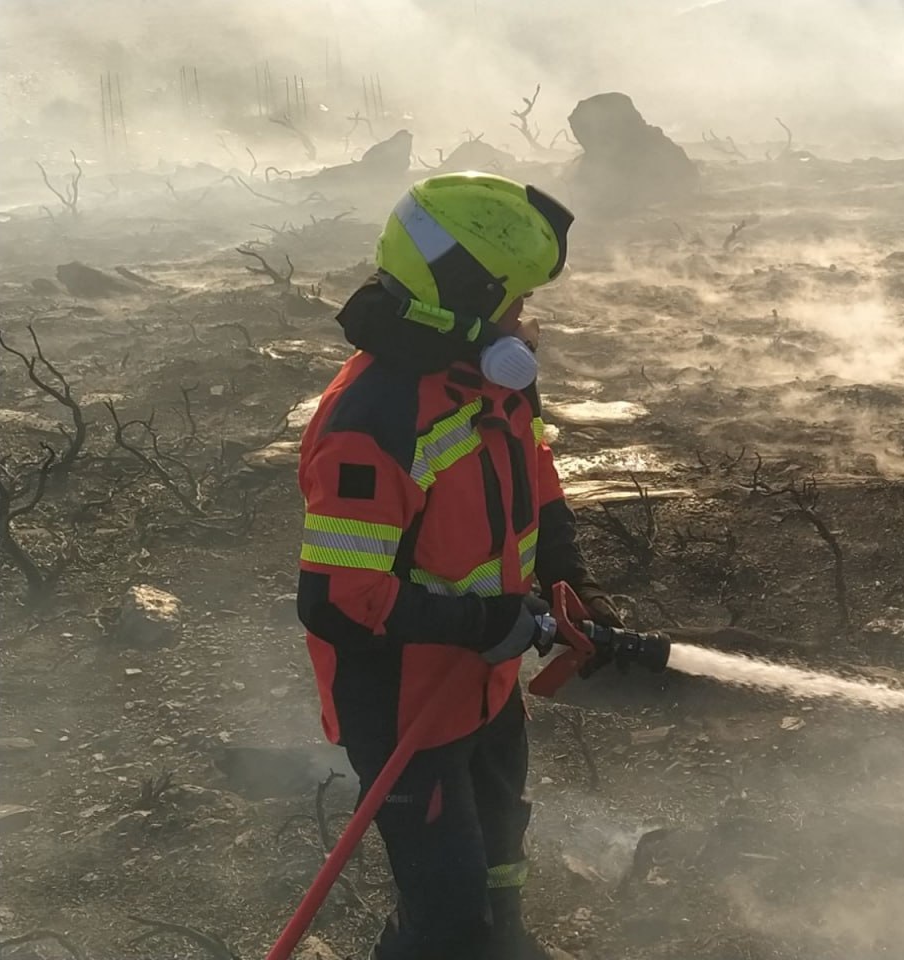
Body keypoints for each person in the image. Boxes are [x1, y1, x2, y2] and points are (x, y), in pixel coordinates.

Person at [296, 172, 622, 960]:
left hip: (485, 682)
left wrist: (568, 579)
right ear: (462, 300)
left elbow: (535, 483)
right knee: (445, 915)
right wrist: (485, 622)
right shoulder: (371, 422)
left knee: (502, 860)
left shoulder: (493, 380)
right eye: (513, 304)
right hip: (405, 707)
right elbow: (338, 601)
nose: (526, 322)